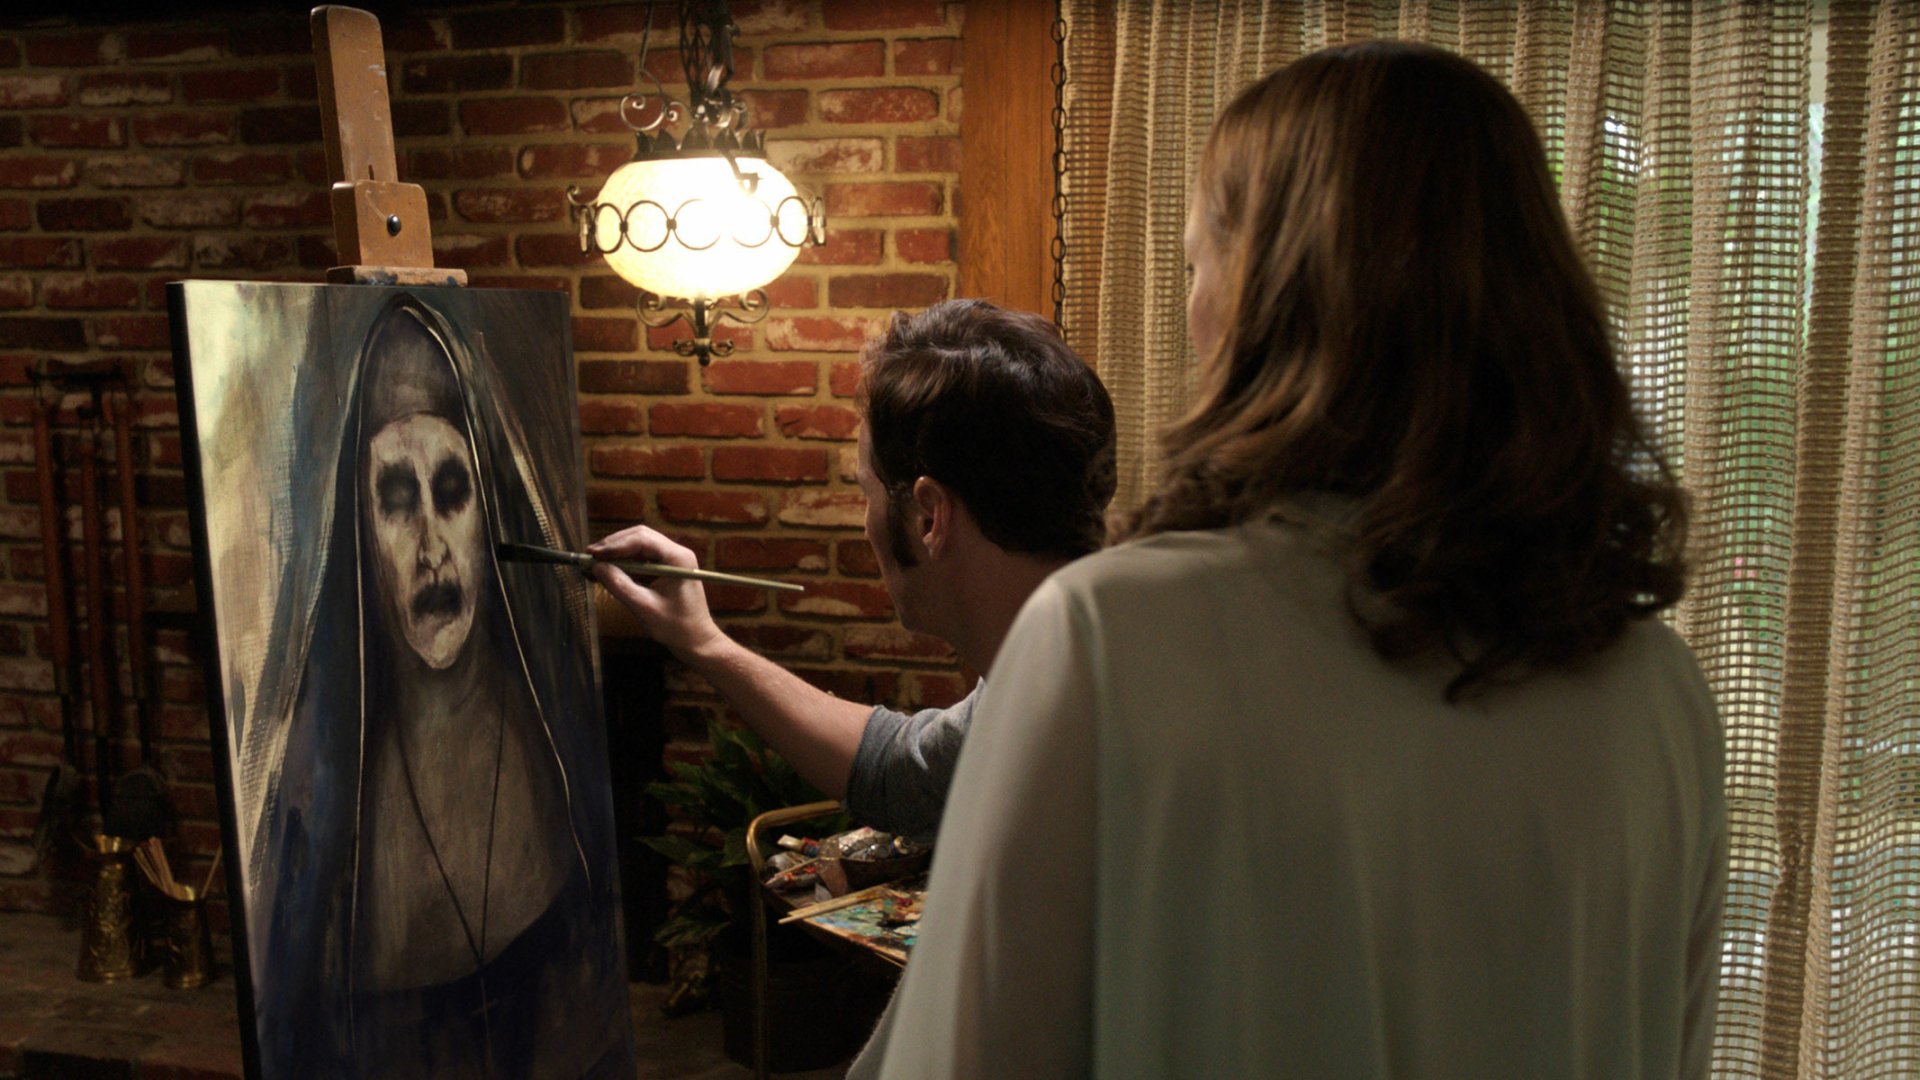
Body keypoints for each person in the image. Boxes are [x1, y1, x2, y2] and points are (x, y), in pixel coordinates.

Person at [863, 41, 1725, 1078]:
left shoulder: (1114, 639)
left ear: (1263, 303)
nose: (1191, 313)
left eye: (1196, 266)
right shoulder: (1660, 696)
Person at [256, 295, 632, 1079]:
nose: (433, 547)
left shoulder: (553, 747)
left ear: (487, 511)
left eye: (452, 491)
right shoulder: (330, 812)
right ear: (362, 535)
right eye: (397, 500)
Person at [592, 299, 1116, 843]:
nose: (866, 526)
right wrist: (702, 641)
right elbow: (901, 774)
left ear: (930, 517)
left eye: (867, 492)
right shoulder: (1057, 664)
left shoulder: (1085, 727)